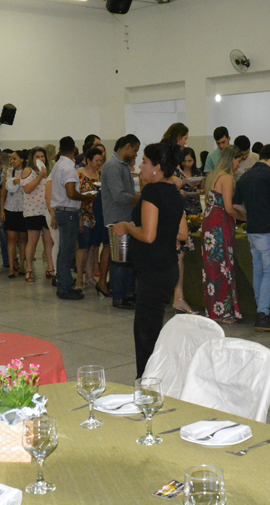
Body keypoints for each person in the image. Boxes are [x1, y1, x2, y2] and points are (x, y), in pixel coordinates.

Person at [113, 142, 187, 376]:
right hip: (168, 267)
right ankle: (155, 376)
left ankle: (147, 381)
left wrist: (128, 227)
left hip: (154, 270)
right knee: (152, 327)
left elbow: (148, 235)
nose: (140, 167)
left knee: (146, 332)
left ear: (157, 168)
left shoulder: (152, 192)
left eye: (144, 162)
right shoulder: (174, 192)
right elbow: (181, 233)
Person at [234, 144, 270, 332]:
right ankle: (263, 314)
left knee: (258, 271)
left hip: (252, 230)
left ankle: (263, 309)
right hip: (266, 229)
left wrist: (250, 215)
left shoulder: (245, 175)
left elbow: (236, 205)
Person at [201, 145, 245, 323]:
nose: (238, 165)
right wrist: (245, 218)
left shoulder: (213, 176)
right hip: (220, 226)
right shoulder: (227, 178)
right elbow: (229, 208)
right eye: (238, 161)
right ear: (231, 159)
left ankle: (213, 309)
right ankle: (223, 312)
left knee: (212, 268)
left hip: (210, 225)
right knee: (223, 266)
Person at [49, 136, 94, 301]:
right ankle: (64, 288)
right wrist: (85, 197)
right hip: (68, 212)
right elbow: (70, 193)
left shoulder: (57, 166)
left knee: (64, 251)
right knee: (67, 252)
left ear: (60, 149)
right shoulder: (68, 168)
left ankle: (65, 283)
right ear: (75, 149)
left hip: (61, 210)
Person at [102, 134, 141, 310]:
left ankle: (129, 293)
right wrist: (140, 199)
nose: (136, 154)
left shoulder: (123, 165)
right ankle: (119, 296)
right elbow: (119, 195)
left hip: (127, 217)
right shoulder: (112, 166)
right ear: (127, 146)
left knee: (129, 259)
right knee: (119, 260)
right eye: (135, 150)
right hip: (117, 218)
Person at [171, 147, 202, 313]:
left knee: (181, 256)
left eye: (191, 160)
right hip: (179, 216)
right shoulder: (173, 174)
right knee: (179, 256)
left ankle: (179, 297)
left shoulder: (196, 172)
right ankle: (178, 298)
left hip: (189, 214)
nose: (188, 163)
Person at [77, 146, 108, 295]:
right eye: (96, 161)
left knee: (94, 247)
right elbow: (74, 195)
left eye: (101, 161)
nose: (99, 163)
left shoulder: (100, 175)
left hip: (98, 214)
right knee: (83, 247)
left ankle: (89, 276)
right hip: (84, 214)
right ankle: (79, 278)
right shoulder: (79, 175)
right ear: (88, 160)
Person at [23, 147, 55, 283]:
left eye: (42, 156)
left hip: (46, 210)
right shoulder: (28, 171)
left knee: (49, 241)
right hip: (33, 211)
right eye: (37, 157)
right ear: (32, 158)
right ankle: (29, 269)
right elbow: (27, 189)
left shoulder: (48, 172)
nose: (41, 159)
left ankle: (51, 267)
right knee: (33, 241)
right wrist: (40, 176)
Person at [2, 150, 28, 278]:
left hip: (24, 208)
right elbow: (3, 191)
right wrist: (2, 209)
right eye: (11, 159)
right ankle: (12, 267)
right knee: (11, 238)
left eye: (14, 158)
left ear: (22, 160)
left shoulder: (27, 172)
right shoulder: (8, 172)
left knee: (22, 238)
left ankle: (22, 265)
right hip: (10, 208)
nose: (12, 161)